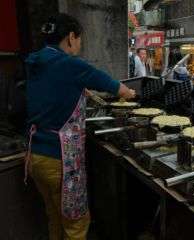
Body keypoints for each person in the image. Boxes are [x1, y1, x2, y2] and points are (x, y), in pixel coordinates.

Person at [25, 14, 135, 240]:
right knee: (76, 224)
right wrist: (131, 93)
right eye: (79, 39)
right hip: (60, 162)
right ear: (71, 37)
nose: (79, 45)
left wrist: (79, 91)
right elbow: (119, 89)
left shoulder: (36, 61)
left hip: (35, 156)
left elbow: (51, 91)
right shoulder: (71, 64)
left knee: (54, 217)